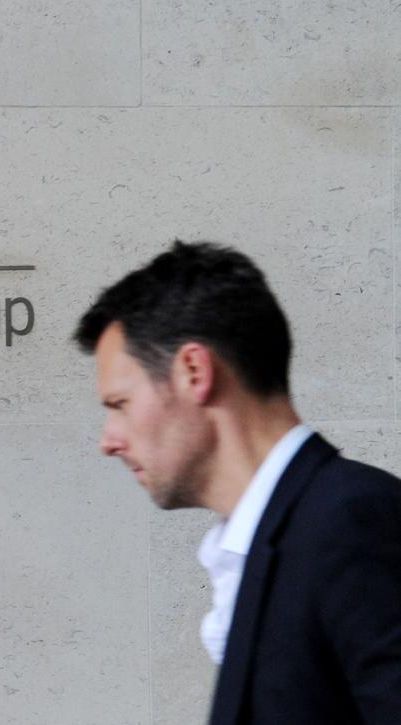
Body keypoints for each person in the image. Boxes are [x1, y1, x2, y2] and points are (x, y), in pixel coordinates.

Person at [74, 241, 401, 724]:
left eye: (120, 404)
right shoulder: (275, 538)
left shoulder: (354, 521)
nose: (109, 441)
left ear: (193, 371)